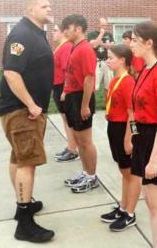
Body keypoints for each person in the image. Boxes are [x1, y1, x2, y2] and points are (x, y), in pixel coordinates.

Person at [0, 0, 54, 242]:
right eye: (44, 6)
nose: (49, 9)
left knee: (19, 158)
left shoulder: (35, 33)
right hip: (22, 111)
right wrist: (31, 104)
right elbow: (11, 73)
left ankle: (25, 204)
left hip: (26, 111)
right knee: (27, 162)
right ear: (31, 10)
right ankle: (24, 222)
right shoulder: (22, 34)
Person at [125, 21, 157, 247]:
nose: (131, 44)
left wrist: (154, 160)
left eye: (135, 40)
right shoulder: (146, 69)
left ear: (149, 43)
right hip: (143, 138)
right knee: (150, 203)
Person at [99, 45, 137, 231]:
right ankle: (123, 206)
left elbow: (133, 114)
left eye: (111, 57)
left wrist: (130, 138)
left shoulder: (128, 82)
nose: (108, 60)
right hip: (114, 127)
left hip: (124, 130)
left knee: (129, 173)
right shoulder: (115, 81)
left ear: (123, 60)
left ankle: (130, 213)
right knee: (124, 172)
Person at [61, 14, 99, 193]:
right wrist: (65, 93)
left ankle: (92, 177)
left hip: (81, 98)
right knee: (77, 139)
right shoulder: (74, 47)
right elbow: (71, 74)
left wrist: (84, 106)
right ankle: (85, 172)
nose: (64, 32)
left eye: (67, 28)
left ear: (78, 28)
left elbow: (89, 78)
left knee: (85, 141)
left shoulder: (85, 49)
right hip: (72, 97)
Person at [51, 23, 79, 162]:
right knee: (65, 119)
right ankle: (70, 147)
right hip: (57, 86)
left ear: (63, 32)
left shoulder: (66, 47)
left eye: (55, 30)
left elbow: (67, 70)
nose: (53, 33)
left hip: (62, 86)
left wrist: (65, 90)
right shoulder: (60, 47)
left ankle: (73, 150)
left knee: (68, 120)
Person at [88, 17, 115, 95]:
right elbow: (94, 45)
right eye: (103, 25)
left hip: (107, 61)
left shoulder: (109, 35)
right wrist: (101, 34)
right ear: (98, 24)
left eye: (105, 25)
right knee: (94, 86)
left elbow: (111, 46)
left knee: (109, 86)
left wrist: (100, 43)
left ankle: (108, 105)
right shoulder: (91, 34)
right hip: (96, 62)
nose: (104, 27)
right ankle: (90, 105)